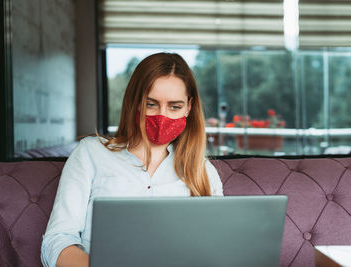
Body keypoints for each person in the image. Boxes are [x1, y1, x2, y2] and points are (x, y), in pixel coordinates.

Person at [41, 52, 224, 267]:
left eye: (174, 106)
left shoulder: (203, 171)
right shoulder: (90, 154)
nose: (162, 116)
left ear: (188, 108)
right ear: (135, 102)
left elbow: (217, 248)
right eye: (151, 104)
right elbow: (57, 240)